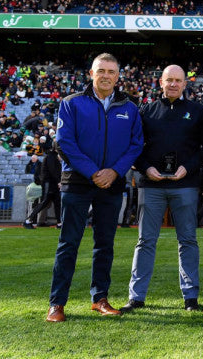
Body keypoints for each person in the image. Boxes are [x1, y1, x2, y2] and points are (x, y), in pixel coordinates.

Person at [46, 53, 143, 322]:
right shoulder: (71, 103)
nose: (106, 76)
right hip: (77, 182)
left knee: (104, 245)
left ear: (118, 75)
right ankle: (57, 303)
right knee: (69, 243)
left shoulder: (130, 107)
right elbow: (64, 143)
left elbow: (136, 145)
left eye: (111, 71)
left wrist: (114, 171)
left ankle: (100, 298)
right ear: (91, 73)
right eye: (101, 70)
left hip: (112, 183)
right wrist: (93, 172)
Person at [121, 65, 203, 313]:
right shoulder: (146, 110)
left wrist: (188, 168)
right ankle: (136, 297)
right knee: (145, 241)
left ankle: (191, 297)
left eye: (178, 80)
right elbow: (134, 146)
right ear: (161, 82)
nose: (173, 84)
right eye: (169, 80)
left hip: (186, 185)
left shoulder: (197, 111)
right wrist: (146, 169)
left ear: (185, 84)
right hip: (152, 185)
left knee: (188, 240)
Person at [26, 146, 62, 228]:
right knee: (44, 202)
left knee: (56, 203)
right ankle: (29, 220)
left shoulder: (51, 157)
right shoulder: (51, 157)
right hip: (49, 183)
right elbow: (53, 171)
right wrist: (58, 181)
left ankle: (59, 223)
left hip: (51, 183)